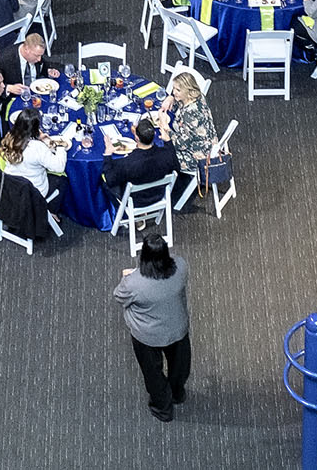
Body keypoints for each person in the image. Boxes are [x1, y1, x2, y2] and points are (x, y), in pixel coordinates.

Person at [116, 235, 192, 422]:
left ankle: (162, 409)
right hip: (177, 327)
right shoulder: (180, 266)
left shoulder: (133, 283)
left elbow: (119, 296)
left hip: (146, 334)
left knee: (153, 373)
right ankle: (177, 393)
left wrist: (129, 274)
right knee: (179, 364)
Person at [101, 117, 179, 211]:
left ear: (136, 137)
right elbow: (176, 167)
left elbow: (110, 180)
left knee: (103, 181)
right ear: (154, 134)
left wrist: (108, 154)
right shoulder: (166, 155)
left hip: (135, 200)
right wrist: (168, 142)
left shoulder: (127, 163)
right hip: (158, 194)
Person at [0, 109, 69, 212]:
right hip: (33, 192)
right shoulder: (37, 148)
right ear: (36, 128)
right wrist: (60, 147)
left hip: (12, 187)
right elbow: (59, 167)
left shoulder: (9, 137)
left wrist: (40, 139)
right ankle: (51, 212)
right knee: (63, 180)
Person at [157, 70, 216, 181]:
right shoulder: (199, 97)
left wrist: (165, 127)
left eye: (178, 90)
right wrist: (171, 98)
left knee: (160, 154)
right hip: (207, 144)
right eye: (173, 88)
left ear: (188, 91)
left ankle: (161, 185)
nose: (174, 92)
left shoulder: (190, 115)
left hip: (197, 157)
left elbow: (180, 145)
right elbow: (180, 103)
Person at [0, 26, 56, 94]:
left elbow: (42, 66)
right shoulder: (4, 59)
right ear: (26, 49)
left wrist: (48, 71)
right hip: (15, 97)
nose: (39, 59)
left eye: (41, 55)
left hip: (37, 91)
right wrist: (9, 88)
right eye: (37, 55)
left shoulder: (35, 54)